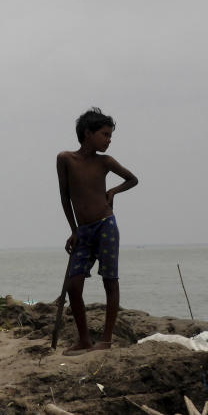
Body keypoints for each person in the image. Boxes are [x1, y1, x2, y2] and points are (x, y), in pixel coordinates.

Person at [57, 107, 139, 355]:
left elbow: (132, 179)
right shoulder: (65, 159)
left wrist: (113, 191)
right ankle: (84, 340)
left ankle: (106, 339)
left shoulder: (105, 162)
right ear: (87, 133)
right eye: (104, 134)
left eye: (110, 135)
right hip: (83, 231)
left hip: (106, 225)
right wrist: (74, 230)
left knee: (110, 281)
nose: (109, 139)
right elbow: (65, 197)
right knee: (73, 285)